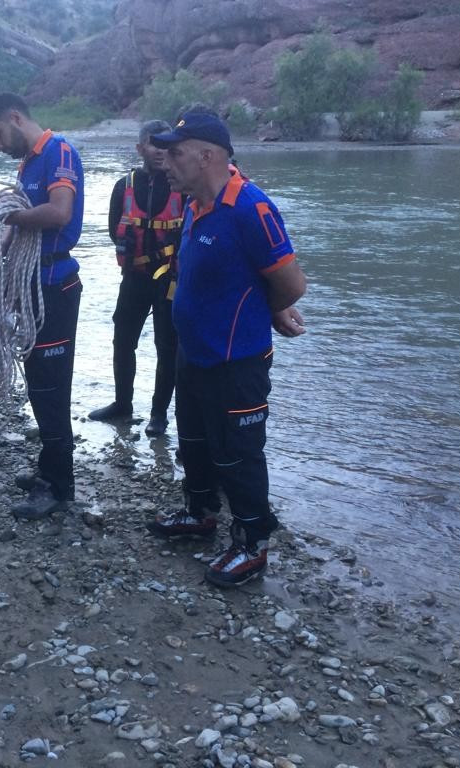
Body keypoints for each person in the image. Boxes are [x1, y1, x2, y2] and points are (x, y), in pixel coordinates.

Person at [145, 111, 307, 587]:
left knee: (239, 454)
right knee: (193, 442)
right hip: (194, 353)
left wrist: (269, 309)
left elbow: (291, 283)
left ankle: (252, 543)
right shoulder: (195, 205)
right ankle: (200, 513)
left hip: (237, 362)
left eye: (175, 152)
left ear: (207, 155)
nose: (164, 161)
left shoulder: (250, 208)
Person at [0, 93, 84, 520]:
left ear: (16, 119)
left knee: (51, 389)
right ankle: (48, 467)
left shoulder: (59, 151)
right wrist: (0, 245)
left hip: (55, 287)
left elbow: (58, 214)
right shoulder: (26, 166)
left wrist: (10, 219)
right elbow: (22, 222)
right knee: (39, 383)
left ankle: (58, 487)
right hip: (31, 285)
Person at [89, 119, 182, 436]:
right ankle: (122, 405)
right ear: (140, 148)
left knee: (166, 346)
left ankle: (158, 416)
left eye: (165, 145)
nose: (160, 151)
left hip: (169, 281)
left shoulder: (182, 186)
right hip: (134, 277)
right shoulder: (123, 186)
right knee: (123, 340)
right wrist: (123, 245)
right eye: (153, 145)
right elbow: (114, 227)